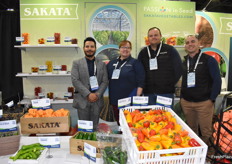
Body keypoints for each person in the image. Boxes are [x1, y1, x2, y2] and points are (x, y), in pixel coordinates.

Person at [180, 35, 221, 145]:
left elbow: (217, 81)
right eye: (187, 42)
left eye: (193, 41)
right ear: (185, 46)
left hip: (204, 103)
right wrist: (182, 98)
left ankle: (209, 156)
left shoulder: (209, 60)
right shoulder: (185, 62)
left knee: (206, 132)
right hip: (187, 103)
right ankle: (195, 155)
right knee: (191, 132)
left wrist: (211, 99)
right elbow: (184, 81)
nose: (190, 44)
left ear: (198, 44)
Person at [138, 27, 183, 106]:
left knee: (166, 117)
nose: (153, 37)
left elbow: (178, 69)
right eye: (151, 36)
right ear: (148, 38)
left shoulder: (170, 50)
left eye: (156, 35)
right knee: (149, 117)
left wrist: (169, 83)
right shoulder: (143, 53)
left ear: (160, 36)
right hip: (148, 93)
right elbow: (139, 72)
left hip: (166, 93)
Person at [71, 37, 108, 131]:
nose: (89, 49)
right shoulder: (77, 63)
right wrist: (88, 94)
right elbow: (75, 80)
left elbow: (105, 81)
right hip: (82, 100)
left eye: (92, 46)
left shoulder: (101, 64)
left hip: (97, 100)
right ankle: (83, 145)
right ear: (84, 48)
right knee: (84, 129)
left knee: (95, 127)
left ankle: (94, 145)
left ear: (95, 48)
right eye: (87, 46)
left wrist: (97, 94)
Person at [107, 40, 145, 124]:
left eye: (128, 47)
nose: (125, 49)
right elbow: (105, 78)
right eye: (123, 47)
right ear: (119, 49)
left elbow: (141, 81)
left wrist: (137, 98)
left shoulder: (135, 63)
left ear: (130, 49)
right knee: (119, 122)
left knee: (130, 122)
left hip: (129, 99)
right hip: (115, 99)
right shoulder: (112, 63)